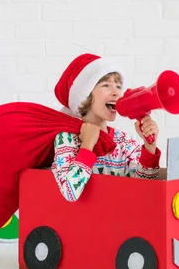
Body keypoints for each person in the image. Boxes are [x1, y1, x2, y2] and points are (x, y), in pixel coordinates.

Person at [52, 53, 161, 202]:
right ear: (86, 96)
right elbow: (69, 192)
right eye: (106, 85)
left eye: (118, 86)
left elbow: (144, 189)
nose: (116, 92)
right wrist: (87, 145)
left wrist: (149, 147)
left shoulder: (124, 141)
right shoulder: (67, 138)